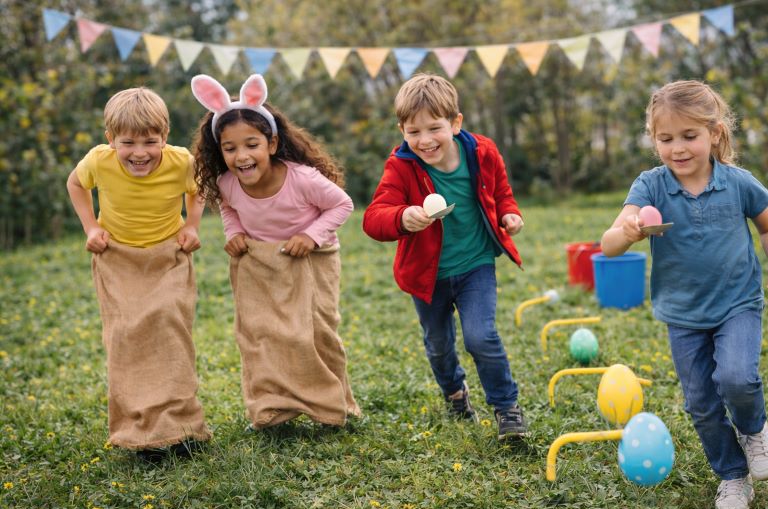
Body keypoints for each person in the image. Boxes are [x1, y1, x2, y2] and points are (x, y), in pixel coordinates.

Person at [601, 80, 768, 509]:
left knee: (737, 379)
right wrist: (627, 231)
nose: (678, 148)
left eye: (689, 136)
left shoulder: (738, 183)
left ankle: (754, 429)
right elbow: (608, 244)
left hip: (737, 304)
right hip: (684, 314)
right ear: (654, 140)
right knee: (701, 404)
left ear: (715, 134)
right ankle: (731, 475)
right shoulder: (650, 187)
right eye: (666, 138)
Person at [362, 73, 527, 440]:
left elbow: (500, 191)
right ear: (401, 130)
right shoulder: (401, 166)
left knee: (481, 336)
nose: (424, 140)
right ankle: (455, 393)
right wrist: (402, 217)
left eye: (433, 128)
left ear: (455, 123)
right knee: (438, 345)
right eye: (413, 131)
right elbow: (373, 219)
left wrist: (508, 213)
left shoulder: (482, 152)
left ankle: (506, 408)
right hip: (427, 275)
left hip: (475, 266)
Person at [191, 74, 360, 430]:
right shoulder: (226, 184)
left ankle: (334, 404)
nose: (241, 156)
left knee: (315, 331)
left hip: (314, 259)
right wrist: (234, 233)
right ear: (219, 151)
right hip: (263, 263)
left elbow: (342, 205)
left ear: (271, 143)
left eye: (251, 144)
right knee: (263, 334)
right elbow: (229, 208)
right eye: (230, 148)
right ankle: (272, 407)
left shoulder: (301, 178)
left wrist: (311, 236)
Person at [66, 87, 211, 463]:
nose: (140, 152)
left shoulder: (181, 162)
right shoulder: (98, 161)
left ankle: (181, 429)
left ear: (165, 137)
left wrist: (192, 226)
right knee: (127, 335)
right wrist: (90, 228)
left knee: (169, 325)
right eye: (127, 142)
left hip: (167, 255)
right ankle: (140, 430)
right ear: (110, 140)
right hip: (118, 257)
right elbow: (76, 185)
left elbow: (199, 191)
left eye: (151, 141)